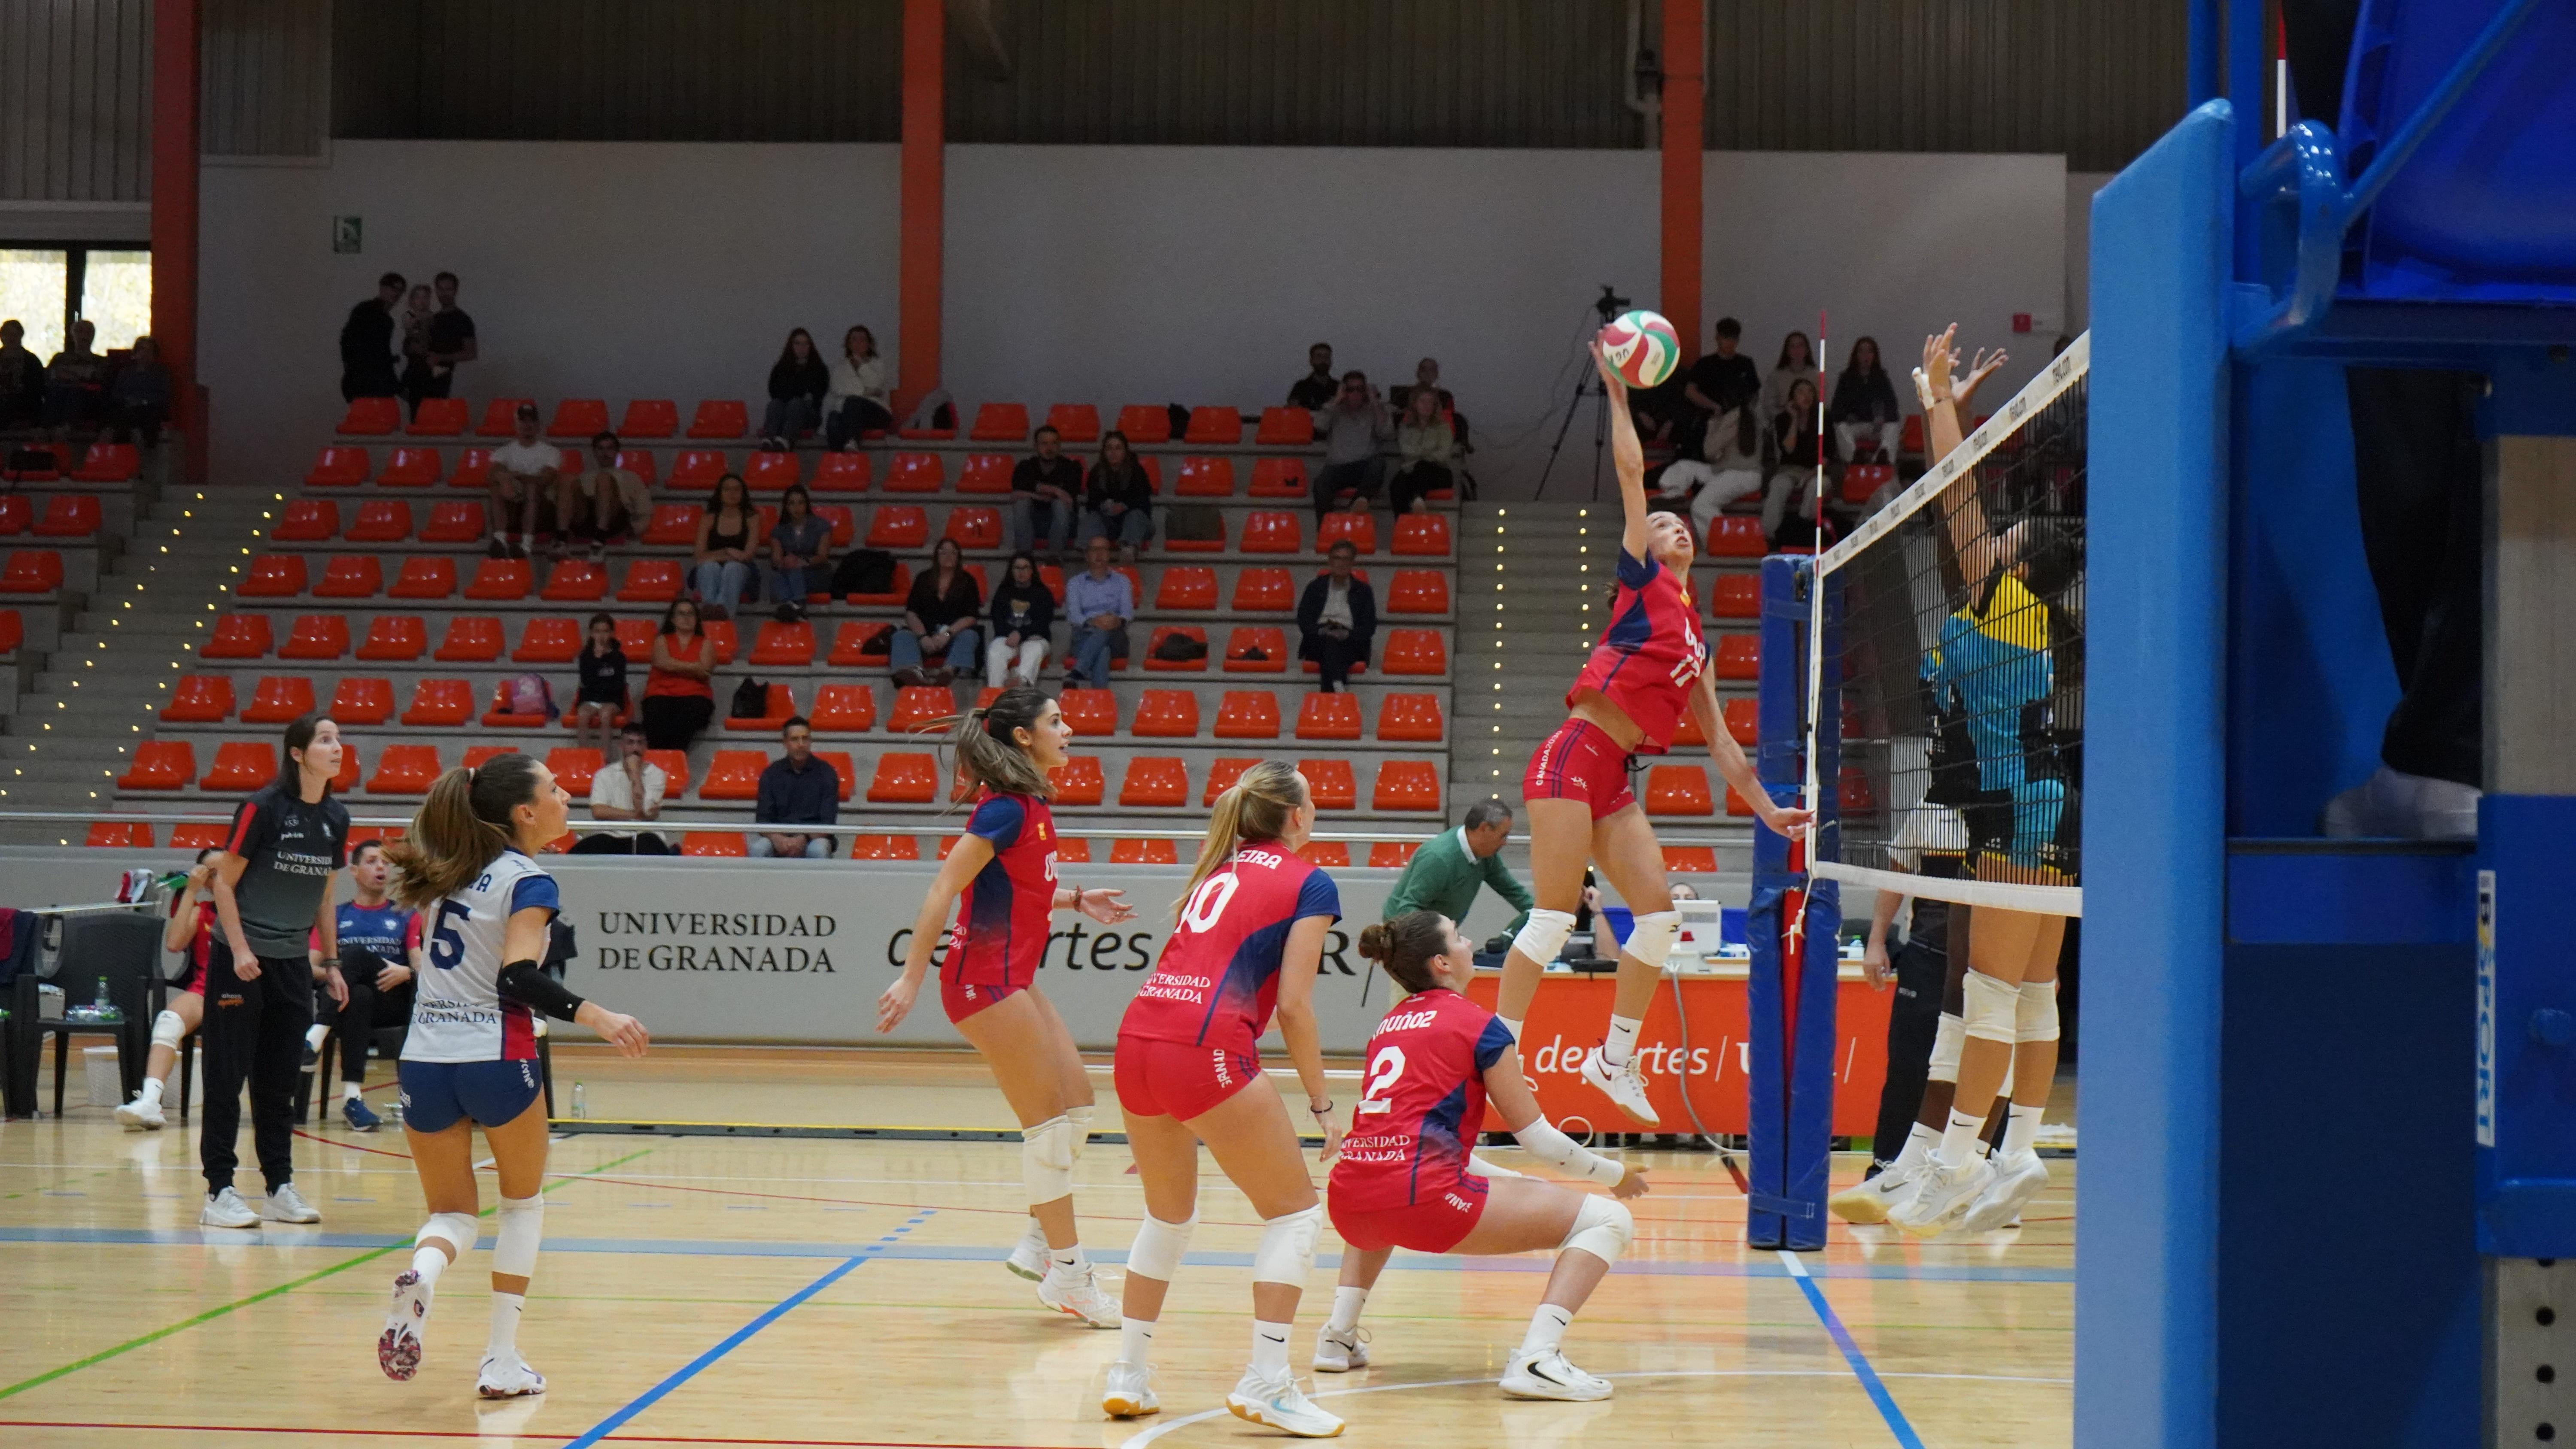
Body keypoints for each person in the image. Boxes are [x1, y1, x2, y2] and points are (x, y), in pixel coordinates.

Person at [1496, 346, 1812, 1127]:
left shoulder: (1697, 640)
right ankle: (1495, 1056)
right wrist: (1617, 394)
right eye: (1661, 524)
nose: (1672, 529)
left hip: (1615, 775)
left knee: (1661, 917)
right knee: (1552, 917)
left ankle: (1614, 1059)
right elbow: (1632, 473)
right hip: (1573, 753)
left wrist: (1770, 812)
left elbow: (1724, 746)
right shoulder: (1640, 584)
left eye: (1679, 525)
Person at [376, 754, 651, 1395]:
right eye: (555, 788)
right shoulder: (529, 880)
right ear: (525, 812)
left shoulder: (445, 872)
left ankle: (423, 1273)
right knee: (522, 1206)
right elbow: (517, 977)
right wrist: (597, 1015)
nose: (567, 794)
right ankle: (501, 1360)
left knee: (452, 1214)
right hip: (496, 1053)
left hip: (424, 1058)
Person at [1100, 760, 1347, 1436]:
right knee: (1295, 1214)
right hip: (1203, 1049)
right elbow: (1294, 1007)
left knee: (1167, 1218)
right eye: (1312, 802)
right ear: (1296, 816)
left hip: (1137, 1042)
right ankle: (1267, 1380)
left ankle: (1127, 1373)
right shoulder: (1311, 881)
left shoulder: (1219, 868)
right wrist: (1323, 1106)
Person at [1886, 325, 2067, 1236]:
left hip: (2013, 811)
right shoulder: (2014, 613)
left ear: (2017, 567)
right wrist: (1948, 416)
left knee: (1992, 995)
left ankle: (1957, 1162)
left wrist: (1938, 403)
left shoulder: (2007, 604)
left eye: (2007, 539)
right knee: (2034, 993)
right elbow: (1954, 507)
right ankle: (2019, 1149)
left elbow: (1957, 499)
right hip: (2046, 803)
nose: (1992, 540)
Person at [875, 688, 1133, 1327]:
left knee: (1078, 1107)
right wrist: (910, 978)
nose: (1068, 731)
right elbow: (944, 888)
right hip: (981, 983)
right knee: (1047, 1128)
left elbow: (1021, 886)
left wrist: (1075, 900)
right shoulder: (1003, 809)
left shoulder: (1032, 804)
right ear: (1024, 737)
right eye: (1056, 722)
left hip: (1013, 977)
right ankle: (1069, 1276)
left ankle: (1042, 1242)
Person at [1323, 911, 1649, 1400]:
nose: (1469, 941)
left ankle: (1336, 1336)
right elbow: (1538, 1139)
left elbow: (1417, 1143)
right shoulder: (1477, 1024)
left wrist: (1518, 1185)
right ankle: (1538, 1359)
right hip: (1424, 1201)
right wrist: (1614, 1173)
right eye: (1458, 936)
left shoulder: (1388, 1025)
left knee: (1383, 1187)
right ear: (1442, 963)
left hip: (1349, 1200)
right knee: (1610, 1220)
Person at [197, 714, 352, 1229]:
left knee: (279, 1082)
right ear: (298, 753)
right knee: (226, 1078)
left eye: (338, 739)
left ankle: (279, 1186)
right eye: (326, 739)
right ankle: (219, 1190)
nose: (337, 747)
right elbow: (223, 882)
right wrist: (241, 949)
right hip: (240, 961)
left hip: (292, 962)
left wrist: (332, 963)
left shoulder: (336, 817)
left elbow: (325, 896)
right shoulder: (262, 807)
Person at [1830, 801, 1975, 1224]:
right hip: (1929, 956)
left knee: (1983, 1066)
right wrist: (1877, 941)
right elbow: (1895, 877)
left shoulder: (2017, 807)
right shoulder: (1929, 812)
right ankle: (1886, 1170)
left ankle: (1980, 1177)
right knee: (1909, 1066)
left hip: (1988, 962)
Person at [307, 839, 422, 1132]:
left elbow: (421, 966)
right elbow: (310, 967)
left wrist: (407, 973)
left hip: (392, 1000)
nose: (381, 867)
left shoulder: (406, 914)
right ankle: (352, 1099)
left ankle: (317, 1033)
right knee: (358, 994)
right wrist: (340, 975)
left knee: (356, 955)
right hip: (348, 1004)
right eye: (372, 862)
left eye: (385, 862)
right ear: (355, 871)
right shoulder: (335, 915)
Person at [115, 848, 223, 1131]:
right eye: (212, 873)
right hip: (205, 991)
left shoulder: (256, 911)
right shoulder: (201, 912)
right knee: (168, 1021)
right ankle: (150, 1102)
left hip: (248, 991)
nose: (221, 877)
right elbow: (174, 944)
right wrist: (191, 891)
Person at [1383, 799, 1534, 946]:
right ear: (1484, 828)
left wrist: (1540, 915)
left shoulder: (1486, 855)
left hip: (1436, 935)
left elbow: (1513, 891)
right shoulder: (1438, 858)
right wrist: (1436, 944)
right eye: (1503, 835)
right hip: (1405, 936)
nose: (1505, 842)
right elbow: (1408, 909)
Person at [891, 537, 983, 688]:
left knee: (970, 635)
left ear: (959, 556)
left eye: (953, 553)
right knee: (901, 636)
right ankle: (913, 672)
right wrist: (923, 637)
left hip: (953, 635)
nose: (948, 556)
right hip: (925, 635)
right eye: (943, 552)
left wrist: (947, 634)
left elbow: (971, 617)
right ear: (936, 555)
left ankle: (948, 671)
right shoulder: (923, 579)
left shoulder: (968, 581)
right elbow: (911, 613)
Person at [574, 723, 671, 854]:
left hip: (644, 833)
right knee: (585, 849)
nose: (635, 748)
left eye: (640, 743)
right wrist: (634, 815)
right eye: (630, 743)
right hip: (610, 833)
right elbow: (599, 811)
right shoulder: (604, 774)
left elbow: (646, 812)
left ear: (645, 746)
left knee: (651, 846)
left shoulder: (656, 774)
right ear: (622, 745)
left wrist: (635, 774)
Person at [751, 718, 840, 858]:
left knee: (818, 850)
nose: (801, 744)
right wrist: (777, 839)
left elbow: (828, 822)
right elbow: (763, 820)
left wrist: (804, 839)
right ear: (785, 743)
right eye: (795, 739)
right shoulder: (771, 774)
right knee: (758, 849)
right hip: (779, 838)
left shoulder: (827, 773)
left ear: (810, 741)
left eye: (805, 739)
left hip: (813, 839)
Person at [1295, 540, 1376, 693]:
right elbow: (1304, 620)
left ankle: (1333, 688)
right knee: (1329, 642)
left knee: (1335, 648)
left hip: (1350, 640)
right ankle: (1338, 685)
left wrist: (1347, 634)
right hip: (1320, 637)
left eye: (1346, 559)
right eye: (1337, 558)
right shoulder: (1315, 587)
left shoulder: (1363, 591)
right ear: (1330, 561)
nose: (1341, 563)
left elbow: (1369, 628)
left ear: (1353, 562)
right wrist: (1322, 632)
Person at [1311, 372, 1391, 524]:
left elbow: (1387, 434)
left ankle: (1354, 510)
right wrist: (1336, 401)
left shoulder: (1375, 410)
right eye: (1351, 390)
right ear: (1344, 391)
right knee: (1320, 485)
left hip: (1364, 465)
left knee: (1378, 464)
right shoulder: (1333, 409)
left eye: (1360, 389)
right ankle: (1326, 530)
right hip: (1337, 466)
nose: (1355, 394)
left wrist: (1375, 403)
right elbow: (1319, 426)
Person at [1679, 317, 1762, 462]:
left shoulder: (1745, 364)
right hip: (1709, 417)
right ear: (1718, 338)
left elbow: (1754, 393)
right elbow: (1690, 391)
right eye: (1726, 338)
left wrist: (1745, 412)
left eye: (1733, 339)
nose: (1730, 343)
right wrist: (1712, 406)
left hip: (1737, 420)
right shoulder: (1705, 364)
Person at [640, 599, 717, 751]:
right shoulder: (661, 640)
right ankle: (660, 757)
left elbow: (705, 671)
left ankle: (675, 756)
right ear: (673, 619)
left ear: (697, 619)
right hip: (661, 693)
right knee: (657, 711)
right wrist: (694, 666)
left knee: (692, 711)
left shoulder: (706, 644)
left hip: (695, 695)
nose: (686, 618)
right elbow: (662, 662)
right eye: (681, 614)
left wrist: (674, 665)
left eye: (690, 614)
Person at [1763, 375, 1831, 543]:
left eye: (1810, 392)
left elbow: (1827, 456)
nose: (1806, 396)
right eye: (1801, 392)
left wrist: (1810, 475)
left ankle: (1803, 528)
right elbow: (1789, 449)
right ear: (1793, 398)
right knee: (1778, 485)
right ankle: (1770, 536)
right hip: (1789, 470)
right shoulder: (1782, 419)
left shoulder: (1824, 418)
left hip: (1816, 471)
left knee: (1816, 486)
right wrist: (1794, 419)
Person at [486, 404, 556, 561]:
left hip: (542, 509)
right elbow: (492, 473)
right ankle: (500, 539)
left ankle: (526, 544)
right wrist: (504, 480)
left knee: (531, 488)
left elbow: (546, 479)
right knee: (497, 484)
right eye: (523, 421)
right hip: (513, 504)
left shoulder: (551, 452)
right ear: (516, 424)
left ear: (538, 424)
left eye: (532, 421)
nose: (527, 425)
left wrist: (516, 477)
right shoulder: (504, 452)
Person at [565, 433, 649, 561]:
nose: (605, 453)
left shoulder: (632, 478)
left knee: (604, 479)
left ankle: (600, 539)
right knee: (568, 480)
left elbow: (644, 510)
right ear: (594, 452)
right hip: (587, 520)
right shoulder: (582, 478)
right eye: (601, 449)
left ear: (617, 452)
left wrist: (636, 530)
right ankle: (562, 538)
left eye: (610, 449)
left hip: (615, 521)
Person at [691, 473, 763, 618]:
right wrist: (728, 552)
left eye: (737, 490)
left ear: (743, 494)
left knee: (732, 568)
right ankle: (711, 611)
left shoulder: (752, 519)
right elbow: (699, 556)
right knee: (710, 568)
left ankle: (722, 615)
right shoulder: (708, 518)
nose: (732, 494)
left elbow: (747, 556)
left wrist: (716, 556)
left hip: (742, 573)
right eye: (727, 489)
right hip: (711, 569)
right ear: (720, 493)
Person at [1064, 536, 1132, 689]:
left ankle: (1077, 672)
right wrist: (1094, 622)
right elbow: (1074, 615)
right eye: (1094, 550)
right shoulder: (1075, 583)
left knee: (1105, 630)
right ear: (1087, 555)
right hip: (1084, 636)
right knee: (1103, 651)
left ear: (1109, 554)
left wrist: (1115, 621)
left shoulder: (1123, 581)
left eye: (1103, 550)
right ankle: (1099, 698)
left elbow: (1127, 613)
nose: (1099, 554)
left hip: (1116, 637)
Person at [1079, 430, 1154, 563]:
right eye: (1109, 448)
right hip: (1109, 523)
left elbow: (1144, 503)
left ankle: (1129, 549)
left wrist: (1124, 506)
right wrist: (1103, 506)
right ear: (1104, 452)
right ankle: (1088, 549)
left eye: (1118, 448)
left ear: (1125, 452)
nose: (1113, 453)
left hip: (1136, 525)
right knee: (1093, 517)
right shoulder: (1097, 472)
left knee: (1135, 516)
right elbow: (1091, 504)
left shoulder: (1137, 472)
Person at [1011, 425, 1082, 559]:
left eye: (1054, 443)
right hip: (1034, 524)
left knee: (1060, 505)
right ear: (1036, 446)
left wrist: (1035, 491)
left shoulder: (1072, 467)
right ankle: (1024, 557)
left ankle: (1055, 557)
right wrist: (1055, 491)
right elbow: (1016, 494)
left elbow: (1069, 496)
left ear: (1060, 446)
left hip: (1065, 524)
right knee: (1021, 504)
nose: (1050, 448)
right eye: (1044, 444)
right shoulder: (1025, 467)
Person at [987, 551, 1055, 688]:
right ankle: (995, 692)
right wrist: (1012, 635)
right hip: (1007, 637)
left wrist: (1021, 634)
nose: (1021, 572)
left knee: (1034, 650)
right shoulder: (1003, 592)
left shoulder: (1043, 594)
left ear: (1032, 570)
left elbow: (1042, 624)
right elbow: (998, 621)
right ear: (1011, 571)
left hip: (1035, 639)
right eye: (1017, 568)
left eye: (1026, 568)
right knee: (995, 652)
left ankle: (1020, 685)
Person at [1830, 335, 1902, 464]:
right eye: (1861, 352)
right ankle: (1854, 459)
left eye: (1869, 352)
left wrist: (1881, 418)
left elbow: (1892, 406)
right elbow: (1836, 408)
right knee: (1841, 427)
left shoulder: (1882, 378)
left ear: (1875, 356)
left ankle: (1883, 459)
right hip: (1854, 425)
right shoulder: (1846, 379)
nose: (1866, 356)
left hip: (1875, 426)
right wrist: (1847, 416)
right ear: (1856, 355)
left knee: (1892, 426)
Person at [766, 485, 832, 622]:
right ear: (786, 506)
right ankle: (796, 607)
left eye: (801, 503)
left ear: (807, 505)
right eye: (792, 503)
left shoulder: (822, 526)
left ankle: (792, 605)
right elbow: (776, 559)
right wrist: (785, 562)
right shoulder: (778, 530)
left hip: (816, 573)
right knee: (778, 574)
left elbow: (822, 556)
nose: (797, 508)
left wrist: (802, 562)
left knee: (793, 570)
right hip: (790, 571)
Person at [1388, 383, 1457, 516]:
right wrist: (1429, 452)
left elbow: (1443, 455)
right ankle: (1402, 521)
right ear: (1415, 404)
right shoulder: (1405, 428)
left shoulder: (1443, 428)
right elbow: (1406, 451)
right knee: (1397, 483)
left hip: (1439, 473)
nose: (1427, 405)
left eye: (1430, 402)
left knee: (1423, 466)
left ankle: (1418, 500)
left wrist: (1420, 454)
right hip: (1411, 471)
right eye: (1423, 401)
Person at [823, 325, 892, 449]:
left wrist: (860, 366)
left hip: (876, 411)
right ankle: (838, 456)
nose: (858, 343)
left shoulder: (879, 365)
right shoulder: (840, 368)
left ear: (869, 344)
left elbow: (876, 384)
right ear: (849, 344)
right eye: (854, 340)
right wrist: (869, 391)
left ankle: (853, 441)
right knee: (834, 419)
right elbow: (839, 389)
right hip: (846, 410)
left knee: (853, 401)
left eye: (862, 340)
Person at [340, 272, 404, 403]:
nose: (397, 293)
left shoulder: (382, 317)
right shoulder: (368, 312)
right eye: (394, 288)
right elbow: (351, 343)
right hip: (367, 382)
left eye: (400, 291)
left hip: (366, 382)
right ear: (383, 287)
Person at [761, 327, 828, 450]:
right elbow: (775, 392)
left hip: (808, 414)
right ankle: (769, 439)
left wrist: (794, 392)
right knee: (775, 404)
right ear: (791, 346)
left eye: (806, 344)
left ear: (810, 347)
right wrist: (800, 391)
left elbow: (817, 395)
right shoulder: (781, 368)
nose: (802, 348)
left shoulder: (819, 369)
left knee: (796, 404)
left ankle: (786, 440)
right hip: (784, 411)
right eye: (798, 344)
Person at [570, 612, 627, 756]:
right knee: (583, 715)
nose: (602, 636)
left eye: (606, 631)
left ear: (612, 633)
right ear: (591, 634)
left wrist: (602, 688)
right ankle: (584, 756)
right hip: (590, 698)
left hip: (612, 699)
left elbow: (618, 684)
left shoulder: (619, 657)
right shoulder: (585, 657)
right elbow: (587, 682)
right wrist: (597, 660)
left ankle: (605, 758)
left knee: (606, 715)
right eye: (597, 631)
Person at [42, 319, 108, 433]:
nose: (84, 336)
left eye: (88, 332)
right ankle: (48, 428)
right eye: (80, 331)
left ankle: (66, 427)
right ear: (73, 335)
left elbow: (101, 382)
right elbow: (49, 376)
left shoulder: (101, 361)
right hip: (59, 396)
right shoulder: (60, 358)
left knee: (76, 393)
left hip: (88, 400)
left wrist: (71, 375)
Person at [104, 335, 171, 446]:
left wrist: (143, 402)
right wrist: (128, 400)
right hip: (127, 408)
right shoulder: (125, 373)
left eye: (149, 351)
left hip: (150, 409)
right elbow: (116, 393)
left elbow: (163, 396)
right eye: (142, 350)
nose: (145, 354)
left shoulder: (161, 373)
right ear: (135, 353)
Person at [422, 271, 477, 402]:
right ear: (436, 291)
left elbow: (471, 353)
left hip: (447, 380)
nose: (444, 294)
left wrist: (440, 358)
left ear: (455, 291)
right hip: (426, 379)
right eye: (441, 289)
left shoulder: (463, 320)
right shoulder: (433, 319)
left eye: (449, 289)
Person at [1762, 329, 1822, 421]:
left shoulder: (1817, 376)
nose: (1797, 350)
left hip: (1812, 423)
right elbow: (1769, 406)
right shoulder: (1776, 377)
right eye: (1793, 347)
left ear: (1807, 350)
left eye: (1801, 346)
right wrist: (1786, 417)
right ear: (1787, 351)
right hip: (1783, 422)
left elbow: (1824, 404)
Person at [398, 283, 438, 418]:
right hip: (415, 361)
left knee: (429, 399)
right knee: (415, 398)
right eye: (418, 297)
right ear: (412, 301)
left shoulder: (432, 316)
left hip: (428, 360)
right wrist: (420, 319)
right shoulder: (409, 316)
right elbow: (409, 329)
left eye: (426, 297)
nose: (422, 301)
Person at [0, 318, 47, 429]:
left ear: (21, 336)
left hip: (25, 405)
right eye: (8, 335)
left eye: (15, 335)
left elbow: (38, 388)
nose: (12, 338)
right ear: (2, 337)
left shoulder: (31, 361)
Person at [1388, 356, 1455, 417]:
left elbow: (1451, 418)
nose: (1427, 373)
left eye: (1431, 370)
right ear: (1418, 373)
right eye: (1424, 369)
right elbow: (1394, 417)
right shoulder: (1403, 395)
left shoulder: (1445, 397)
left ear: (1437, 374)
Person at [1286, 343, 1339, 410]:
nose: (1323, 360)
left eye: (1327, 357)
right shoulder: (1300, 388)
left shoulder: (1339, 388)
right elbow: (1293, 411)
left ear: (1331, 361)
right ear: (1312, 361)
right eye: (1319, 356)